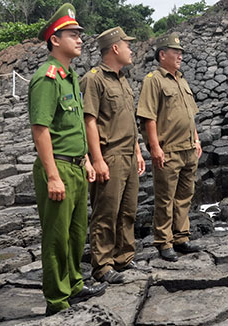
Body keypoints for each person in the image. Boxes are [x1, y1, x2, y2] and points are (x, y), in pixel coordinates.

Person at [28, 3, 106, 316]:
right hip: (57, 166)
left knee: (76, 234)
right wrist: (52, 175)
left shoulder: (69, 76)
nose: (80, 39)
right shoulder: (46, 78)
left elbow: (74, 126)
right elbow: (40, 130)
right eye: (73, 34)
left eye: (79, 34)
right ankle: (57, 300)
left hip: (75, 165)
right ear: (55, 40)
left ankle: (74, 284)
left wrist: (86, 159)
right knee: (57, 237)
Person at [81, 27, 147, 284]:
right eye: (127, 45)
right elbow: (89, 121)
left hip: (129, 154)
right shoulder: (93, 79)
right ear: (115, 48)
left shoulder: (122, 79)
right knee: (106, 212)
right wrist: (96, 159)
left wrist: (138, 151)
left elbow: (129, 120)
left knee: (128, 210)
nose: (131, 50)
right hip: (109, 154)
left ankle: (124, 258)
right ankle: (103, 266)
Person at [137, 32, 202, 262]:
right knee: (165, 198)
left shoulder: (181, 80)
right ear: (162, 54)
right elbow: (148, 117)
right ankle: (164, 242)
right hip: (169, 150)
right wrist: (154, 148)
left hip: (188, 148)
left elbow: (189, 114)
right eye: (176, 52)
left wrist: (196, 139)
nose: (180, 56)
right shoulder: (153, 80)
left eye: (181, 52)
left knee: (185, 195)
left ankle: (181, 236)